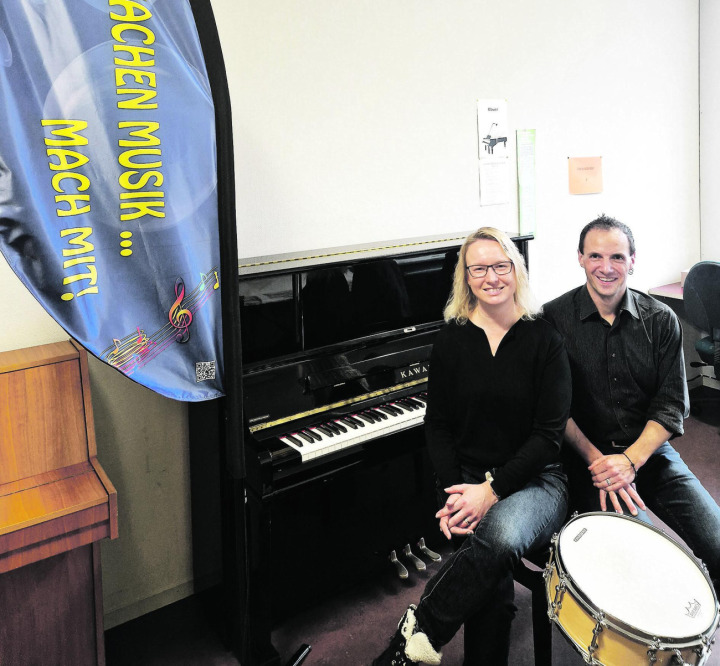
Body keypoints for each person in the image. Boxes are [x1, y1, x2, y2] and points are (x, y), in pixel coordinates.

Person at [372, 227, 571, 666]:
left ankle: (416, 635)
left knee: (495, 534)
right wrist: (456, 492)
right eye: (478, 268)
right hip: (469, 481)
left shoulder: (545, 339)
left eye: (501, 265)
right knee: (490, 587)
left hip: (539, 482)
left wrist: (490, 492)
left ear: (516, 271)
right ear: (465, 276)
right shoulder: (451, 340)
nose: (491, 277)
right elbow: (438, 426)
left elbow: (548, 438)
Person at [543, 214, 720, 596]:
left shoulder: (661, 320)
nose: (606, 268)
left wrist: (630, 460)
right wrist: (602, 463)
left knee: (719, 543)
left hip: (649, 452)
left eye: (618, 258)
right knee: (650, 560)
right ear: (579, 258)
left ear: (633, 260)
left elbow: (671, 404)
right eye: (595, 256)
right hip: (588, 463)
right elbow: (554, 410)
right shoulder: (553, 320)